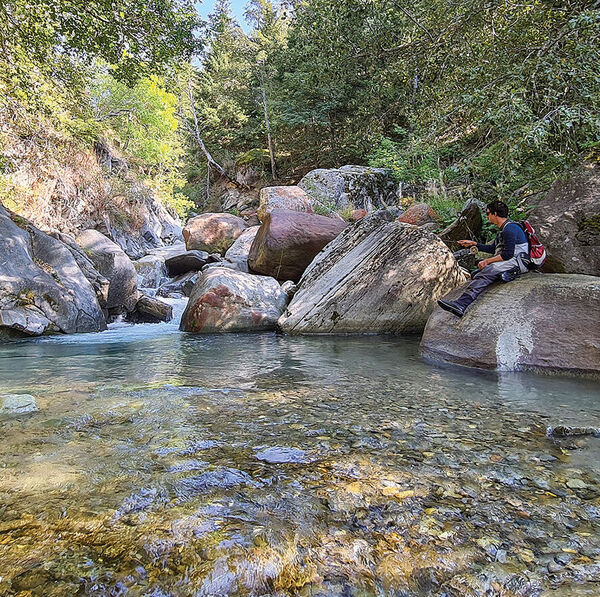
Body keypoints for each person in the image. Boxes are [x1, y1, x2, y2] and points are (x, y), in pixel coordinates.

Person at [438, 200, 529, 317]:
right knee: (476, 273)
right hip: (511, 261)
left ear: (495, 214)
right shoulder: (504, 229)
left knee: (487, 271)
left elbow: (508, 254)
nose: (487, 216)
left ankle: (461, 305)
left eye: (488, 213)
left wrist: (487, 261)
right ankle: (505, 274)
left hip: (518, 262)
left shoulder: (510, 229)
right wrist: (474, 244)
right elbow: (492, 249)